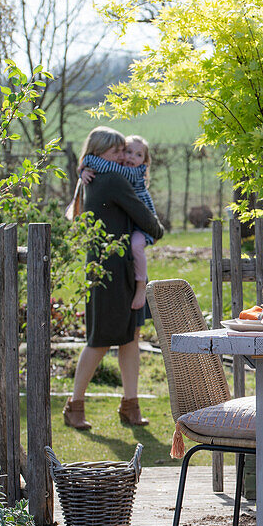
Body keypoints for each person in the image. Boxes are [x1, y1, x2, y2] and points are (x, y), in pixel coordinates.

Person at [63, 127, 165, 430]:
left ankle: (130, 404)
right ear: (102, 152)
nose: (123, 155)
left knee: (129, 339)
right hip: (111, 272)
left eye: (125, 150)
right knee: (99, 341)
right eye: (117, 151)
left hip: (115, 269)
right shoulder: (112, 180)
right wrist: (153, 230)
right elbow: (151, 225)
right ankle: (74, 405)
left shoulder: (91, 177)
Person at [78, 134, 157, 310]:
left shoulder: (133, 171)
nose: (130, 158)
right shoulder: (119, 169)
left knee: (136, 245)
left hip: (144, 221)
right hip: (132, 220)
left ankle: (141, 287)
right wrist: (83, 172)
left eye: (138, 155)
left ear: (145, 161)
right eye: (127, 151)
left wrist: (87, 162)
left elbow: (105, 166)